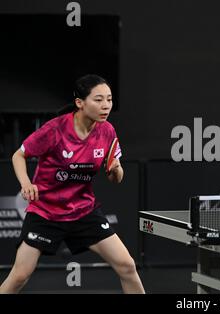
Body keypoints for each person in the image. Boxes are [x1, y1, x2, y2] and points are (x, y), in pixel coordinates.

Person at [0, 74, 145, 294]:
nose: (105, 105)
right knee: (20, 275)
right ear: (80, 103)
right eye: (98, 100)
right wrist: (26, 183)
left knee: (127, 266)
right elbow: (18, 156)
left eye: (109, 99)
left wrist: (116, 169)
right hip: (45, 212)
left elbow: (116, 179)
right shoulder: (55, 130)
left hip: (83, 211)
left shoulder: (107, 132)